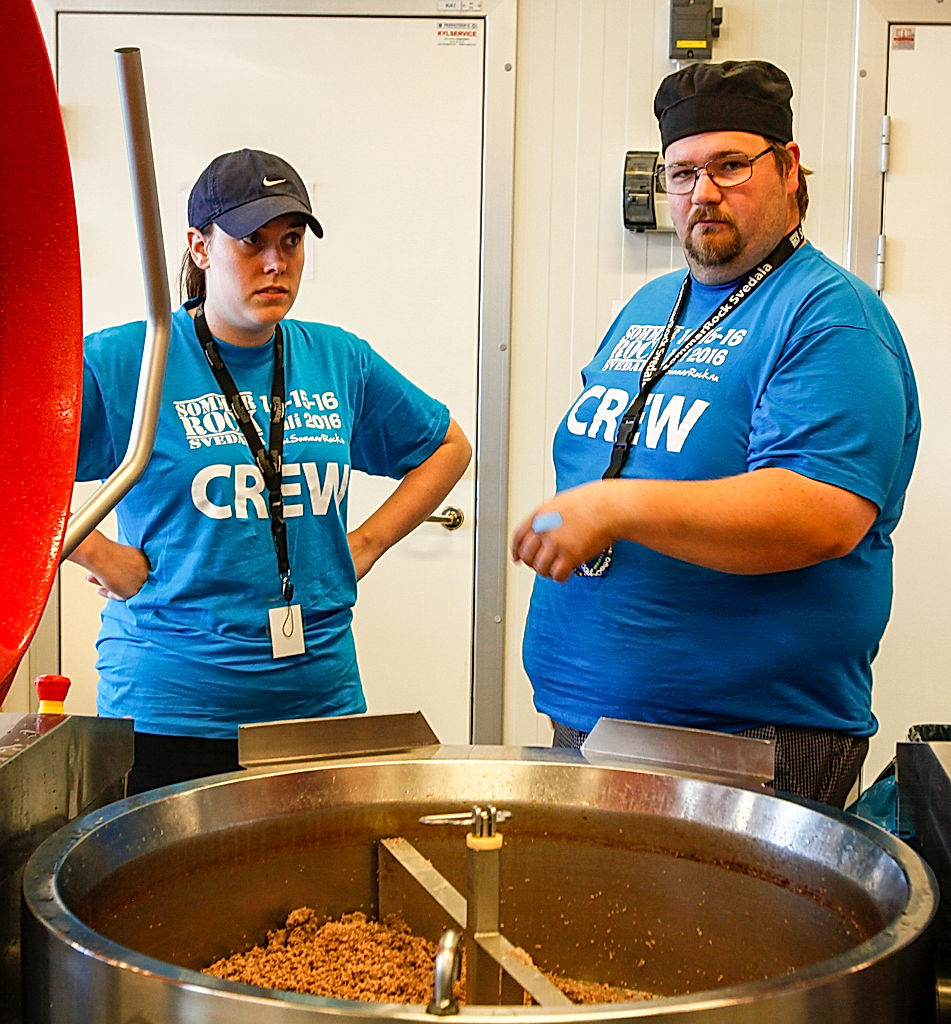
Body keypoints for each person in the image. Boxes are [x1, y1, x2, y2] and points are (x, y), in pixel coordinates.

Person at [511, 61, 920, 808]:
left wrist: (615, 508)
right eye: (681, 172)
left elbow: (819, 513)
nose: (702, 192)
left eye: (730, 165)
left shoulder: (829, 317)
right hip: (590, 718)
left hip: (742, 742)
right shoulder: (649, 305)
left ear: (788, 168)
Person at [69, 148, 471, 794]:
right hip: (172, 708)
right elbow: (18, 468)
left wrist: (363, 545)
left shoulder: (337, 360)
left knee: (312, 895)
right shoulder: (132, 361)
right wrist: (94, 551)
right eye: (250, 243)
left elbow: (447, 446)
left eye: (289, 242)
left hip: (317, 706)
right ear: (199, 248)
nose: (275, 263)